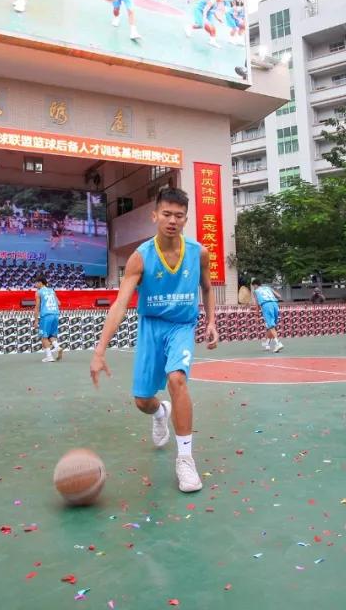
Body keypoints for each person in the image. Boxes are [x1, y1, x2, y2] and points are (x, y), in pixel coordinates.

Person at [90, 188, 219, 493]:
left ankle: (185, 459)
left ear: (186, 218)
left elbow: (208, 287)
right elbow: (121, 304)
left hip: (181, 326)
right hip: (151, 327)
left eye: (178, 215)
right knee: (142, 401)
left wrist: (212, 321)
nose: (172, 220)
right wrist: (100, 350)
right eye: (166, 214)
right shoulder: (140, 258)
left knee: (177, 380)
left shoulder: (199, 252)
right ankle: (160, 412)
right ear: (155, 215)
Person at [34, 275, 63, 362]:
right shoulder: (52, 290)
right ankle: (57, 347)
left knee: (44, 336)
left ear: (40, 283)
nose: (35, 284)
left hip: (46, 316)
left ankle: (49, 356)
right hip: (55, 315)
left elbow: (37, 307)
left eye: (36, 282)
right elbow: (59, 303)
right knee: (51, 335)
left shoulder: (38, 292)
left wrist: (36, 320)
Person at [252, 279, 283, 352]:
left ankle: (278, 343)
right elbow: (279, 296)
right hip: (275, 304)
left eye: (253, 286)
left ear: (255, 285)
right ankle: (267, 344)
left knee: (271, 326)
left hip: (266, 305)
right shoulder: (268, 288)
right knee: (272, 326)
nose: (253, 288)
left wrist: (256, 314)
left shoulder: (256, 291)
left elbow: (257, 304)